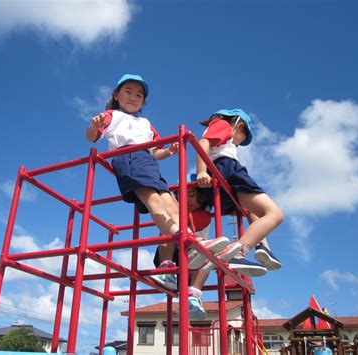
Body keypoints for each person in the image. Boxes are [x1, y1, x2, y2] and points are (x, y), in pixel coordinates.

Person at [86, 74, 183, 289]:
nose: (133, 97)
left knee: (173, 205)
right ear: (117, 95)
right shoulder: (112, 115)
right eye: (128, 92)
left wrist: (168, 151)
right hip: (128, 156)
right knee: (155, 202)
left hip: (148, 161)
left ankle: (168, 262)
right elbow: (92, 137)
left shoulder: (146, 123)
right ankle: (184, 240)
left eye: (139, 95)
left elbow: (155, 150)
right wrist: (95, 125)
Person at [196, 109, 283, 276]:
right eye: (242, 138)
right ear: (239, 125)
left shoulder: (222, 137)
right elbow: (203, 143)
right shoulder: (223, 126)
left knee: (251, 210)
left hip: (221, 176)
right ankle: (239, 251)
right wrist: (201, 172)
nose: (239, 143)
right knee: (275, 214)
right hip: (227, 169)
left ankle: (262, 244)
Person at [153, 175, 240, 319]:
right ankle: (166, 270)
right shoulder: (179, 212)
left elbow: (183, 218)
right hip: (169, 255)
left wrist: (171, 202)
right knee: (167, 227)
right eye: (181, 195)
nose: (186, 199)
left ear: (202, 198)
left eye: (191, 195)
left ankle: (193, 295)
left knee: (207, 256)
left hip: (191, 263)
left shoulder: (203, 215)